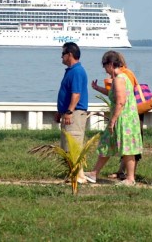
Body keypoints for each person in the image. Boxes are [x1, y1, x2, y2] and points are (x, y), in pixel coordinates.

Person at [85, 51, 143, 186]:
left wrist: (113, 120)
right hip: (123, 117)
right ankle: (94, 173)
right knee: (106, 144)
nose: (105, 70)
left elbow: (120, 101)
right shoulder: (122, 78)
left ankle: (130, 178)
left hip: (124, 119)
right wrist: (98, 88)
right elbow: (114, 93)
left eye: (105, 66)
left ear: (111, 64)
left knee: (127, 148)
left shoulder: (119, 79)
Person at [55, 42, 89, 183]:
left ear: (70, 55)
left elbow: (76, 94)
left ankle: (78, 175)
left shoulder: (77, 71)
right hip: (68, 112)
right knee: (67, 146)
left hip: (74, 113)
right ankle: (74, 174)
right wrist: (60, 111)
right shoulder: (71, 71)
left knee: (73, 144)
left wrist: (69, 111)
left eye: (63, 54)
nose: (61, 57)